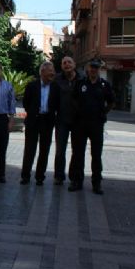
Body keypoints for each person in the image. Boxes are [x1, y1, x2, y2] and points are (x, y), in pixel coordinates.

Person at [68, 58, 114, 194]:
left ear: (99, 69)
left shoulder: (104, 85)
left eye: (96, 67)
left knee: (96, 154)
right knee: (78, 154)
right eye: (91, 67)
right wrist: (79, 112)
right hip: (80, 124)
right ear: (88, 68)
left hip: (96, 124)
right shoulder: (81, 83)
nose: (93, 70)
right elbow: (73, 99)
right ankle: (77, 181)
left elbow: (111, 102)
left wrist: (102, 113)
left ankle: (96, 183)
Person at [20, 61, 59, 185]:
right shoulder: (32, 86)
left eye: (53, 70)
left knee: (44, 150)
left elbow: (57, 105)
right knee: (29, 149)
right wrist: (32, 113)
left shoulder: (55, 87)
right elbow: (26, 103)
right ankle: (25, 176)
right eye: (50, 71)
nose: (53, 73)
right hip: (33, 121)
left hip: (47, 121)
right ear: (42, 72)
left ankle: (40, 177)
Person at [52, 56, 83, 185]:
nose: (67, 65)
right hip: (61, 120)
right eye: (64, 63)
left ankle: (74, 177)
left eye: (69, 62)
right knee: (60, 151)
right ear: (61, 66)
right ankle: (59, 176)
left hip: (78, 121)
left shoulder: (82, 79)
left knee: (77, 151)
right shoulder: (57, 80)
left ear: (74, 64)